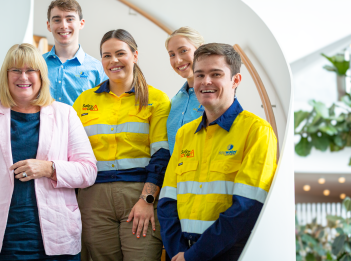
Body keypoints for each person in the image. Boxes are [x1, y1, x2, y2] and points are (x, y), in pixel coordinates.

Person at [0, 43, 97, 261]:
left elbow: (88, 171)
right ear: (6, 75)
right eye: (16, 70)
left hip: (57, 238)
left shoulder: (65, 114)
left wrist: (49, 168)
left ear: (41, 75)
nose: (24, 76)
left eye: (31, 70)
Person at [158, 43, 277, 261]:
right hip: (180, 253)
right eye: (200, 74)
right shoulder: (185, 133)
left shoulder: (257, 132)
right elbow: (167, 201)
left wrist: (194, 255)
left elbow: (246, 208)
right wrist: (178, 253)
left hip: (228, 254)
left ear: (236, 80)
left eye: (216, 74)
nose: (206, 82)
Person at [73, 29, 171, 261]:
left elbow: (161, 155)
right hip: (93, 197)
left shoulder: (156, 99)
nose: (113, 60)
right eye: (106, 55)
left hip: (138, 194)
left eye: (120, 53)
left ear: (135, 55)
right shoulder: (84, 101)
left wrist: (147, 199)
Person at [43, 0, 108, 106]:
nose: (63, 25)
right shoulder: (36, 65)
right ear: (49, 25)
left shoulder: (98, 69)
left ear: (81, 24)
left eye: (70, 19)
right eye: (57, 20)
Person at [166, 27, 205, 154]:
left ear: (201, 49)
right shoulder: (175, 101)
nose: (177, 60)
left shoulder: (216, 98)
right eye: (172, 55)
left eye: (183, 51)